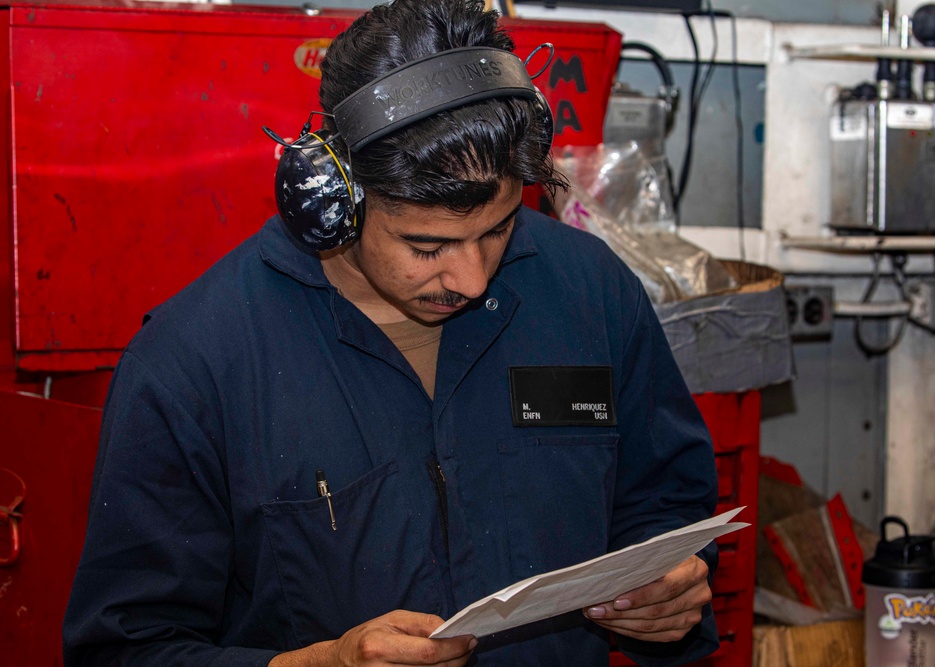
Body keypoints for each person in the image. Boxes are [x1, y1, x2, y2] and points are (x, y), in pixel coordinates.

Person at [63, 0, 720, 665]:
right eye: (425, 244)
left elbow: (666, 502)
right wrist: (324, 663)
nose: (469, 279)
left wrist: (672, 586)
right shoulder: (195, 364)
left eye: (495, 229)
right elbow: (123, 648)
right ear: (332, 202)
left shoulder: (592, 292)